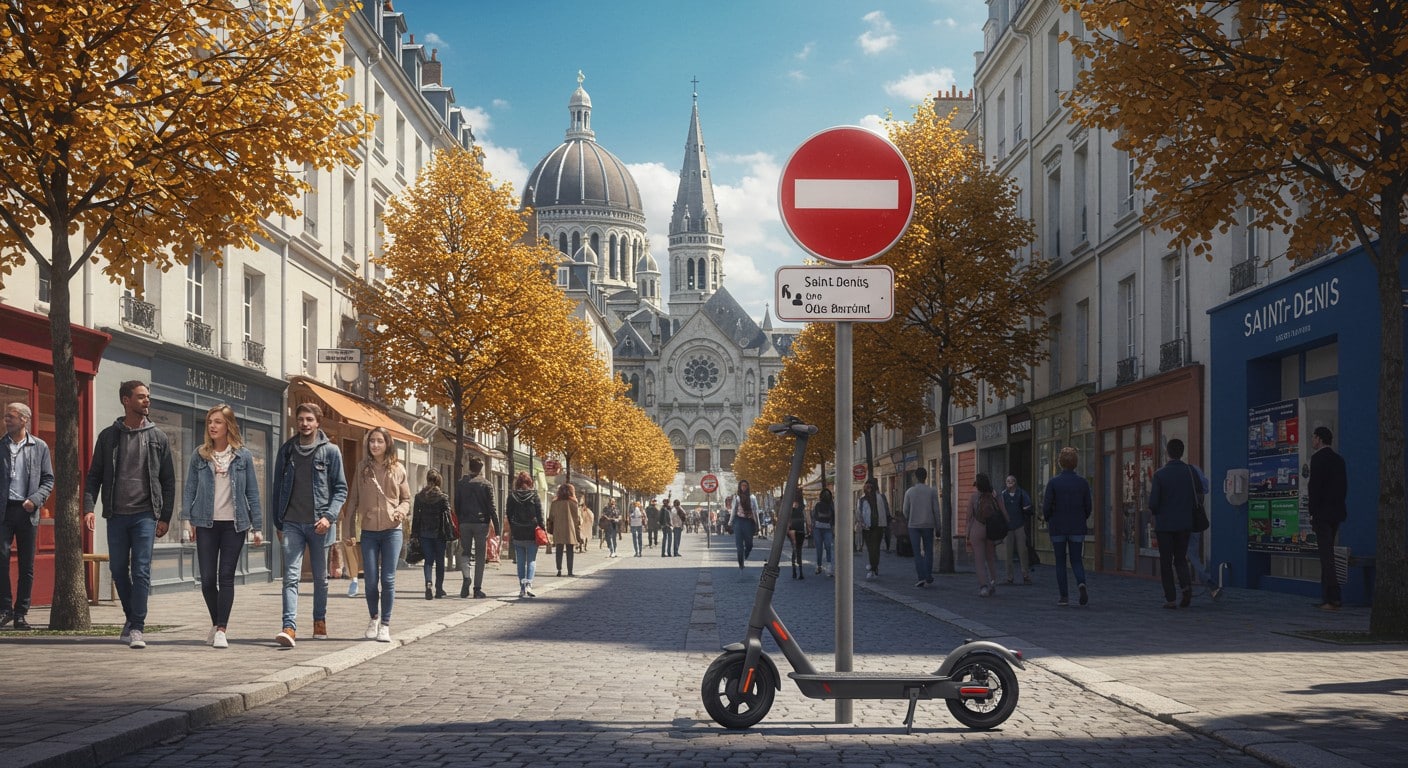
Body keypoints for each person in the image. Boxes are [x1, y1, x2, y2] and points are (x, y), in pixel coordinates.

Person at [83, 381, 176, 650]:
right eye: (141, 397)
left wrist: (165, 517)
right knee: (118, 570)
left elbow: (168, 481)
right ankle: (131, 617)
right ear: (126, 400)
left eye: (148, 396)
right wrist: (89, 507)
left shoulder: (158, 437)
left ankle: (137, 626)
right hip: (117, 515)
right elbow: (94, 476)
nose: (147, 401)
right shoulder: (108, 436)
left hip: (146, 515)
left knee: (142, 570)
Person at [181, 404, 263, 649]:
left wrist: (257, 527)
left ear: (228, 425)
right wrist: (187, 520)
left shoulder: (243, 456)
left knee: (225, 577)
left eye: (217, 422)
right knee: (207, 579)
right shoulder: (200, 454)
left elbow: (252, 493)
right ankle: (217, 622)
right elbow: (189, 489)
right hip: (205, 523)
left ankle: (221, 630)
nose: (212, 426)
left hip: (234, 526)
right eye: (209, 422)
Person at [271, 402, 347, 647]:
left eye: (309, 420)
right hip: (292, 522)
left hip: (320, 524)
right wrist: (278, 523)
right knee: (290, 577)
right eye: (301, 419)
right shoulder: (287, 450)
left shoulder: (331, 452)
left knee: (320, 578)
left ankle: (319, 620)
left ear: (318, 422)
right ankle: (289, 627)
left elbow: (341, 489)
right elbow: (276, 490)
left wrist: (329, 517)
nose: (304, 423)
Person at [1, 402, 54, 632]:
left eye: (10, 417)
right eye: (5, 417)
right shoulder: (1, 445)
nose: (6, 421)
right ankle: (5, 610)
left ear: (24, 419)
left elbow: (48, 480)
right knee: (1, 558)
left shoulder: (39, 447)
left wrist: (35, 499)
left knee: (26, 565)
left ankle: (21, 613)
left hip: (27, 510)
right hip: (4, 511)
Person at [1149, 438, 1199, 609]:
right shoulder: (1191, 472)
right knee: (1180, 559)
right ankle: (1186, 587)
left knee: (1166, 561)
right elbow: (1198, 495)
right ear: (1182, 452)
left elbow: (1153, 503)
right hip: (1185, 523)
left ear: (1167, 453)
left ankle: (1170, 598)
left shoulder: (1160, 474)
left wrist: (1157, 512)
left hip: (1164, 525)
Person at [1043, 447, 1092, 607]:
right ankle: (1081, 583)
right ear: (1075, 463)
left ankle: (1064, 596)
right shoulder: (1082, 483)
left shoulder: (1054, 482)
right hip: (1077, 526)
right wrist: (1082, 517)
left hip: (1058, 526)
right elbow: (1088, 506)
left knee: (1060, 561)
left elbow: (1047, 505)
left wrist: (1048, 518)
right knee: (1077, 560)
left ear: (1060, 462)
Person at [1308, 426, 1348, 611]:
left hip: (1322, 514)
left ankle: (1333, 598)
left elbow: (1314, 488)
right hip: (1336, 513)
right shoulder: (1338, 460)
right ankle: (1327, 597)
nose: (1313, 441)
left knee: (1326, 556)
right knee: (1328, 553)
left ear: (1320, 439)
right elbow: (1343, 487)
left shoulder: (1317, 459)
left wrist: (1312, 511)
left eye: (1314, 438)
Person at [455, 456, 498, 599]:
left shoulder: (461, 483)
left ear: (469, 467)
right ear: (481, 469)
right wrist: (496, 527)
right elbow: (492, 507)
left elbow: (457, 504)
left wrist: (460, 520)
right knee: (480, 556)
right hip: (481, 523)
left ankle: (466, 577)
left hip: (465, 523)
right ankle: (477, 588)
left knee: (465, 552)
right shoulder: (486, 484)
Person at [411, 469, 453, 600]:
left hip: (424, 533)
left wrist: (414, 534)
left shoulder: (419, 497)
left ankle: (428, 583)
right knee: (440, 561)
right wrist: (451, 531)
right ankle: (439, 589)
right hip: (440, 533)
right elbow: (448, 516)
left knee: (428, 560)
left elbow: (416, 517)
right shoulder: (443, 497)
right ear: (438, 481)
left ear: (427, 480)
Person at [504, 471, 545, 598]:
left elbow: (509, 513)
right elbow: (540, 514)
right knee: (531, 560)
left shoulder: (512, 496)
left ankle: (522, 587)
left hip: (518, 532)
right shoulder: (534, 496)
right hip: (532, 531)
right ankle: (529, 585)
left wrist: (513, 526)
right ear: (529, 482)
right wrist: (542, 528)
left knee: (520, 561)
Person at [1184, 464, 1219, 599]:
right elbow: (1205, 488)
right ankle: (1207, 579)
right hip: (1194, 517)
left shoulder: (1169, 471)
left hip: (1177, 517)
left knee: (1179, 555)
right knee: (1192, 553)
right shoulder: (1194, 469)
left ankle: (1185, 587)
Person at [902, 467, 939, 588]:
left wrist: (909, 518)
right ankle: (928, 575)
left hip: (913, 525)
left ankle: (921, 577)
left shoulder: (910, 492)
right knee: (929, 551)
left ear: (915, 477)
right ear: (926, 477)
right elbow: (936, 510)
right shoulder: (932, 491)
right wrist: (938, 526)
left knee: (917, 552)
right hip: (928, 524)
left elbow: (905, 510)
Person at [968, 473, 1001, 597]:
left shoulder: (974, 497)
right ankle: (993, 582)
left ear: (977, 486)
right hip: (991, 529)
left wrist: (967, 532)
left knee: (979, 560)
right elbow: (1002, 511)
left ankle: (983, 587)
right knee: (991, 558)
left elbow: (969, 517)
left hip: (977, 528)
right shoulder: (994, 495)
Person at [999, 475, 1033, 585]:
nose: (1009, 483)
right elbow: (1000, 508)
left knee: (1023, 551)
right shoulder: (1003, 495)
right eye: (1007, 481)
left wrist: (1025, 508)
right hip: (1008, 527)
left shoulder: (1021, 493)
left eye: (1011, 481)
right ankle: (1009, 577)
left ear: (1015, 482)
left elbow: (1028, 506)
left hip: (1020, 525)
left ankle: (1026, 575)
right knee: (1008, 553)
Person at [857, 477, 889, 580]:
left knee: (874, 548)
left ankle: (873, 568)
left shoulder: (879, 497)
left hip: (877, 526)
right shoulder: (863, 499)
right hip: (868, 527)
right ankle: (874, 567)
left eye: (870, 487)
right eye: (867, 487)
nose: (868, 489)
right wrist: (860, 522)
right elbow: (859, 513)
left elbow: (886, 510)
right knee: (872, 549)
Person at [547, 483, 582, 576]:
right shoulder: (574, 502)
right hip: (570, 530)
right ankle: (570, 571)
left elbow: (551, 517)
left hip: (558, 529)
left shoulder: (555, 503)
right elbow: (577, 518)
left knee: (559, 549)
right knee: (570, 550)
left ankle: (559, 570)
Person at [729, 480, 758, 569]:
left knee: (749, 544)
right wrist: (730, 522)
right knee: (739, 545)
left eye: (745, 485)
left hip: (748, 522)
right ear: (739, 487)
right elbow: (733, 510)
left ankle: (746, 552)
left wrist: (758, 525)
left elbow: (756, 511)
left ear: (748, 487)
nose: (744, 487)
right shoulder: (736, 498)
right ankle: (741, 563)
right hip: (738, 521)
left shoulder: (752, 498)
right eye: (742, 486)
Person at [811, 487, 835, 576]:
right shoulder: (820, 505)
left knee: (826, 547)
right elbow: (829, 516)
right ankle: (821, 566)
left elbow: (818, 516)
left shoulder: (828, 505)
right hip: (822, 528)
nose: (826, 496)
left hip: (821, 528)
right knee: (821, 548)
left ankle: (827, 566)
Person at [787, 495, 808, 580]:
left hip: (797, 531)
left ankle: (796, 571)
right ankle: (798, 571)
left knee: (796, 549)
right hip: (797, 530)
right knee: (797, 550)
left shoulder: (790, 510)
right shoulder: (801, 509)